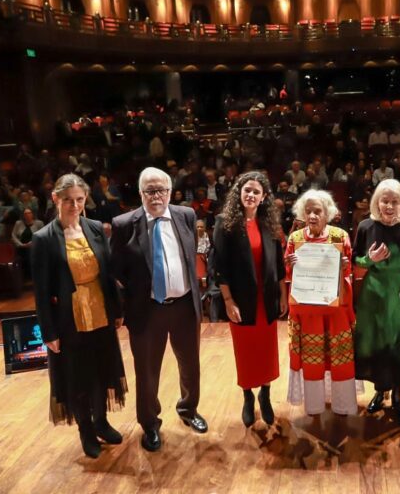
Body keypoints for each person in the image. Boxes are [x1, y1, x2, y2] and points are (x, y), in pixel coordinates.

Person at [111, 167, 207, 453]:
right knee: (147, 372)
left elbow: (191, 258)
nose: (156, 196)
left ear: (169, 191)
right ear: (141, 194)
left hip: (184, 307)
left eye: (161, 190)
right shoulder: (124, 223)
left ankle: (188, 409)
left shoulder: (186, 215)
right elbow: (115, 271)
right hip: (147, 310)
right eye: (149, 191)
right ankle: (150, 424)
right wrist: (130, 300)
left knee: (190, 364)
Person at [31, 174, 127, 459]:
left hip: (99, 309)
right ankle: (85, 428)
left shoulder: (96, 228)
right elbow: (41, 291)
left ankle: (101, 421)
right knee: (77, 375)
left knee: (101, 368)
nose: (75, 205)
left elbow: (108, 275)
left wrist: (118, 310)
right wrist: (49, 332)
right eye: (69, 200)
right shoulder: (43, 238)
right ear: (56, 199)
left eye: (80, 200)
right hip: (68, 317)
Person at [212, 172, 287, 427]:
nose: (251, 195)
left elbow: (278, 263)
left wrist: (283, 295)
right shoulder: (225, 223)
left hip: (266, 299)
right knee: (245, 351)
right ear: (239, 193)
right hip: (241, 301)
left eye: (256, 192)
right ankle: (247, 395)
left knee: (266, 349)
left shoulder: (269, 224)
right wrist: (228, 300)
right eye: (247, 190)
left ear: (264, 197)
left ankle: (265, 394)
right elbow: (219, 266)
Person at [284, 189, 358, 416]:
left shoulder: (340, 236)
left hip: (335, 309)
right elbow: (288, 274)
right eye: (308, 211)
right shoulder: (295, 239)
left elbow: (349, 271)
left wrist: (345, 264)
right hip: (306, 310)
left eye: (318, 211)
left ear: (328, 214)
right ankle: (314, 406)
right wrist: (289, 263)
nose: (313, 216)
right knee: (312, 359)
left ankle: (342, 405)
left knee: (339, 357)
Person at [353, 180, 400, 425]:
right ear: (376, 202)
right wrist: (369, 259)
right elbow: (355, 261)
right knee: (376, 341)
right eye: (385, 201)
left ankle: (398, 395)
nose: (389, 206)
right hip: (373, 293)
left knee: (398, 342)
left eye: (394, 201)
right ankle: (381, 392)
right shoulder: (365, 226)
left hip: (398, 293)